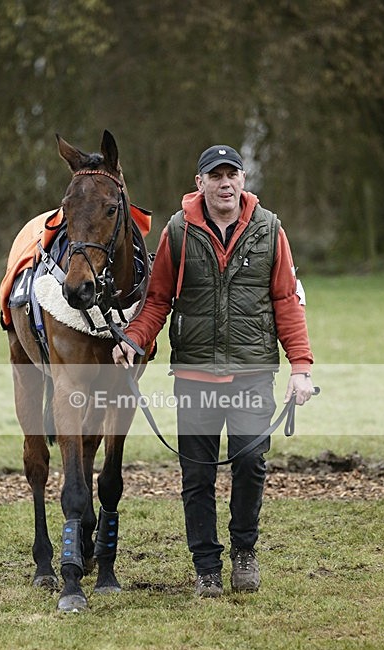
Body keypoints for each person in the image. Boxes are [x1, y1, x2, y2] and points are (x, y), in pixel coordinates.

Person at [113, 144, 314, 597]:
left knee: (249, 463)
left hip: (253, 373)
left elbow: (286, 299)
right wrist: (133, 339)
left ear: (243, 180)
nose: (226, 183)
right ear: (199, 182)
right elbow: (158, 298)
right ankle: (206, 567)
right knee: (198, 475)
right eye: (216, 175)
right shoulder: (179, 230)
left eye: (233, 174)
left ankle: (244, 553)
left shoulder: (270, 229)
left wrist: (300, 367)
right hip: (195, 376)